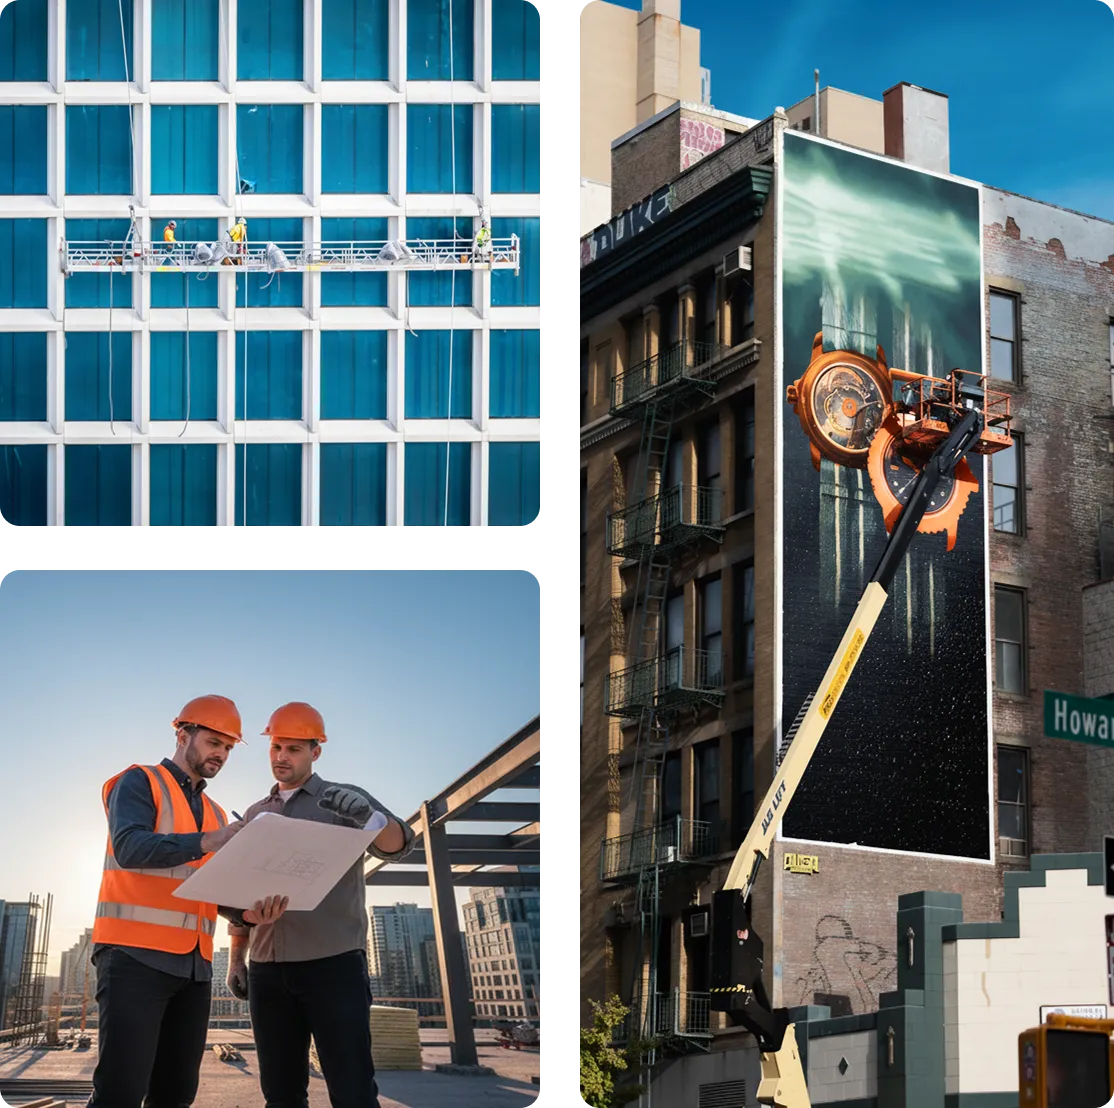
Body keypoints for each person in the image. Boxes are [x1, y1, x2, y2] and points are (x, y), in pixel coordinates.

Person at [87, 695, 291, 1108]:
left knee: (176, 1094)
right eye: (215, 742)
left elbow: (212, 889)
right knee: (120, 1093)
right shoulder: (139, 781)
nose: (222, 754)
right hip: (134, 958)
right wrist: (208, 841)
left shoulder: (215, 812)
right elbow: (129, 847)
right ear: (183, 734)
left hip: (194, 969)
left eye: (229, 748)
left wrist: (247, 913)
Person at [228, 701, 416, 1108]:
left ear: (316, 752)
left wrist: (372, 820)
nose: (281, 757)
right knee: (280, 1093)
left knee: (351, 1089)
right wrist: (235, 960)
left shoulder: (345, 801)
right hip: (267, 972)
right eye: (276, 747)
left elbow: (399, 845)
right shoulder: (256, 814)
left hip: (332, 968)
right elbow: (239, 894)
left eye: (294, 749)